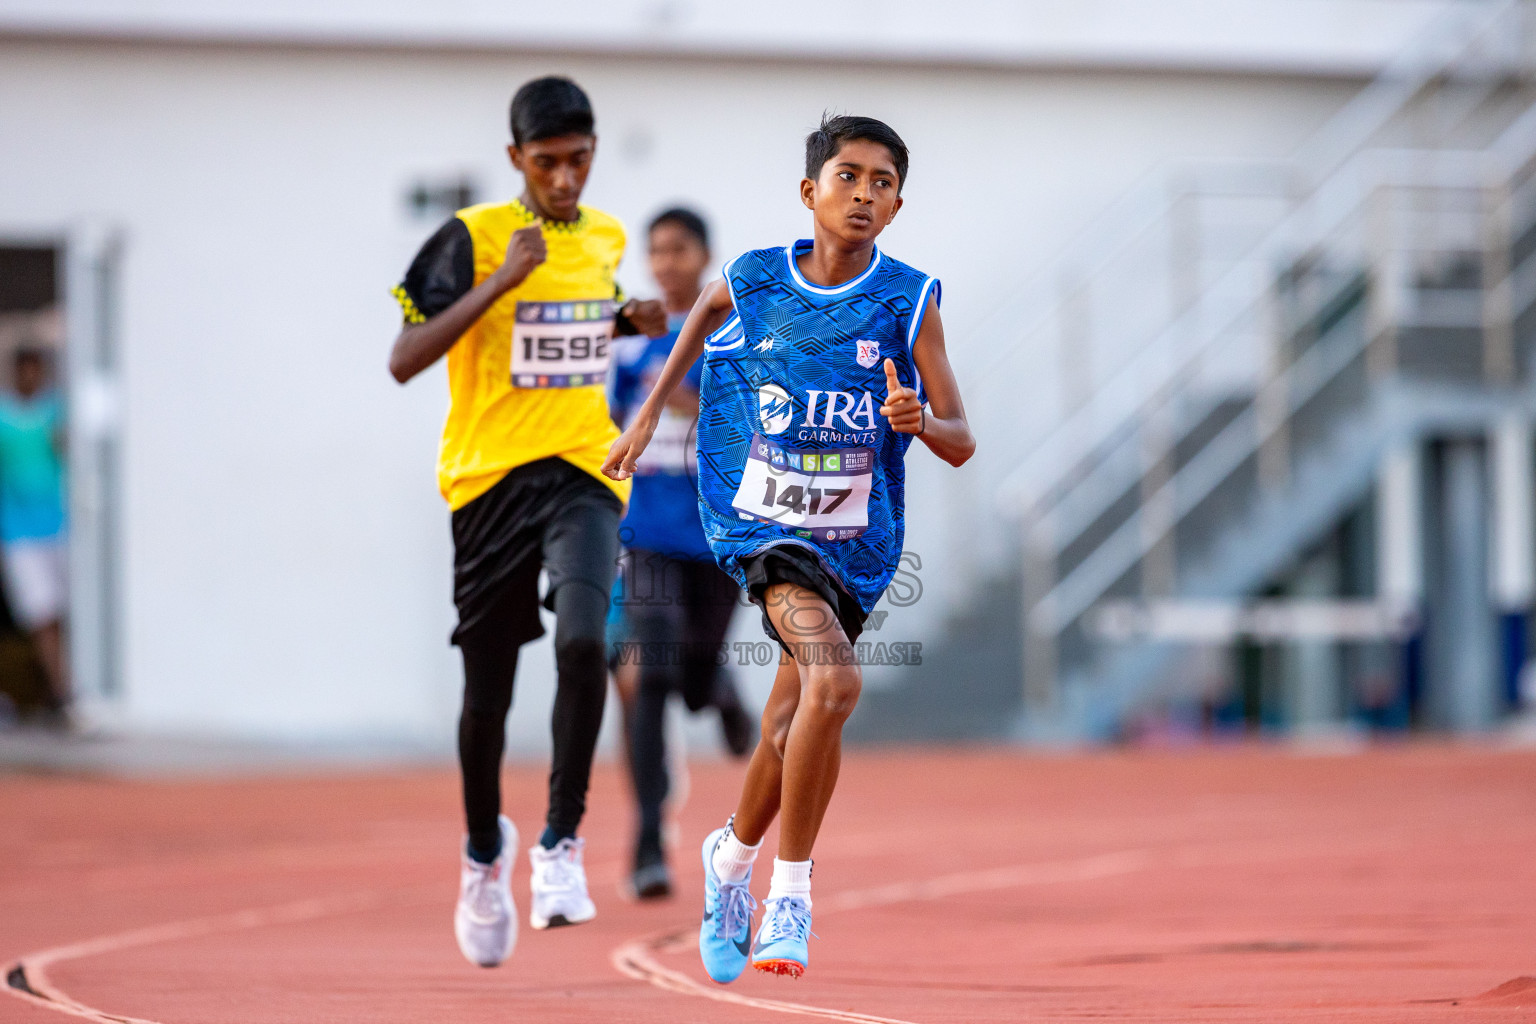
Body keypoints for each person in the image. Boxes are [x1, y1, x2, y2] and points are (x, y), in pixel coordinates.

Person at [604, 115, 975, 981]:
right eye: (848, 176)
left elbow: (961, 439)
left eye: (882, 183)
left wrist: (921, 421)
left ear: (898, 203)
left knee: (784, 723)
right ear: (810, 191)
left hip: (856, 539)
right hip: (765, 526)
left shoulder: (909, 300)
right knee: (836, 680)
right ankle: (790, 900)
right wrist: (653, 410)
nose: (864, 194)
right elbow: (694, 325)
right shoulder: (754, 277)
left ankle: (728, 860)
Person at [388, 75, 665, 969]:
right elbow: (403, 359)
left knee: (587, 644)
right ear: (516, 160)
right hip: (487, 485)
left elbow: (569, 329)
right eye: (546, 163)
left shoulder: (606, 235)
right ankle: (482, 855)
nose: (564, 179)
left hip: (585, 471)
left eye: (578, 160)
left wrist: (626, 320)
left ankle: (559, 847)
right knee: (489, 698)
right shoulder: (468, 239)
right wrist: (500, 279)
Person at [607, 207, 755, 901]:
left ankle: (720, 688)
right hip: (646, 536)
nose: (666, 262)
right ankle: (645, 842)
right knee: (649, 667)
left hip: (715, 537)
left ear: (705, 256)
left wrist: (698, 402)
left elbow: (761, 421)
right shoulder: (631, 344)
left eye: (679, 249)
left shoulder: (736, 337)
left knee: (689, 679)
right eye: (655, 251)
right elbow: (605, 424)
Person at [0, 346, 68, 725]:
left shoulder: (56, 411)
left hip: (61, 527)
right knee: (40, 613)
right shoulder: (4, 417)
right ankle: (61, 690)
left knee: (61, 614)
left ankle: (62, 687)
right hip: (20, 533)